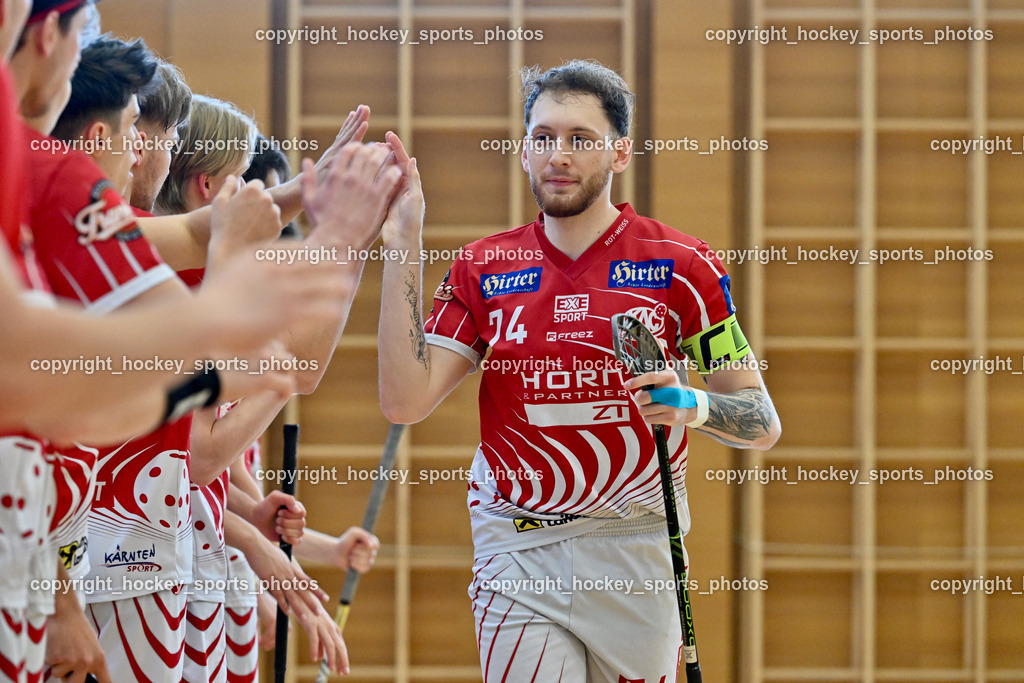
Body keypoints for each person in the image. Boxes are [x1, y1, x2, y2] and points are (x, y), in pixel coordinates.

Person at [377, 59, 781, 681]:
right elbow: (405, 401)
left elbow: (760, 420)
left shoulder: (682, 266)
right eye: (542, 138)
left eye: (579, 140)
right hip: (518, 549)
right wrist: (404, 246)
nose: (557, 155)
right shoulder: (483, 268)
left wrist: (691, 403)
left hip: (636, 549)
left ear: (619, 153)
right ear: (523, 151)